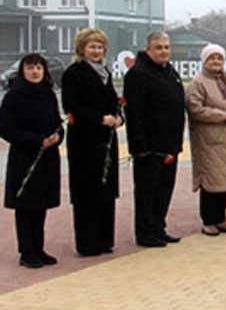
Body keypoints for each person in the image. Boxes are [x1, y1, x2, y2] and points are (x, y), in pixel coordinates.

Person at [61, 28, 122, 256]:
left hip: (106, 140)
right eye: (92, 47)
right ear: (82, 49)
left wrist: (118, 117)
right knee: (88, 192)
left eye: (99, 47)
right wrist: (99, 119)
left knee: (106, 190)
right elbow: (72, 106)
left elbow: (114, 103)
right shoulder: (73, 73)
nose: (96, 51)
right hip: (85, 142)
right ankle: (87, 242)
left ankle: (105, 239)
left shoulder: (105, 73)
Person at [1, 54, 64, 268]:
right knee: (26, 206)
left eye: (38, 67)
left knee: (41, 205)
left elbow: (57, 121)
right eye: (30, 68)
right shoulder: (13, 96)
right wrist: (36, 140)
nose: (35, 72)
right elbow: (6, 129)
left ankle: (39, 248)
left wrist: (58, 136)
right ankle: (27, 252)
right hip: (25, 158)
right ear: (23, 71)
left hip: (47, 158)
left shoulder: (48, 94)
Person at [124, 31, 186, 247]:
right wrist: (140, 146)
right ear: (148, 50)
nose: (163, 51)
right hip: (149, 147)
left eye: (166, 47)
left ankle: (159, 227)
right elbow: (134, 114)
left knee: (164, 189)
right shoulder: (137, 74)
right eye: (158, 47)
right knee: (146, 192)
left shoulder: (170, 72)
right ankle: (145, 232)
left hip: (171, 144)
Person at [185, 44, 226, 236]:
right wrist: (219, 115)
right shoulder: (198, 83)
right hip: (208, 139)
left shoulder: (225, 82)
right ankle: (208, 220)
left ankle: (221, 218)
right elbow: (195, 108)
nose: (216, 62)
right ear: (204, 61)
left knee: (223, 179)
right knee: (210, 181)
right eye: (212, 58)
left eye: (219, 58)